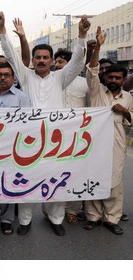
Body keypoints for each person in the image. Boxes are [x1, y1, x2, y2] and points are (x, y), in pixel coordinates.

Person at [0, 11, 90, 236]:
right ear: (34, 60)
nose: (40, 60)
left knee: (55, 179)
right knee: (27, 179)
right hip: (28, 139)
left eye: (45, 57)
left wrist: (82, 36)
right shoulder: (26, 76)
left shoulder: (60, 78)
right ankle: (26, 221)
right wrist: (2, 31)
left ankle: (56, 218)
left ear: (51, 60)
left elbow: (77, 62)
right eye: (37, 57)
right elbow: (11, 56)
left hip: (56, 140)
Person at [84, 26, 133, 235]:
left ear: (123, 80)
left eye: (117, 78)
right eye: (110, 77)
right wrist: (98, 48)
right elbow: (92, 70)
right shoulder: (96, 91)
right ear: (106, 78)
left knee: (114, 183)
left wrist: (126, 112)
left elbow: (131, 120)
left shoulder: (128, 98)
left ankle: (112, 219)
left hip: (117, 144)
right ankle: (93, 217)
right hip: (94, 144)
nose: (113, 80)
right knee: (94, 177)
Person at [0, 62, 31, 235]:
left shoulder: (22, 98)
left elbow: (27, 125)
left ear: (13, 77)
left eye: (6, 75)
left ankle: (7, 219)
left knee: (9, 184)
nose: (2, 78)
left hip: (11, 148)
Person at [53, 49, 90, 224]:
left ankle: (72, 210)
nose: (58, 65)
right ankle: (51, 210)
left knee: (75, 174)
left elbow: (93, 109)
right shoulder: (52, 82)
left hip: (79, 138)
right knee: (53, 173)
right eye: (57, 62)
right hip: (54, 138)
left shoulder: (85, 84)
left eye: (62, 62)